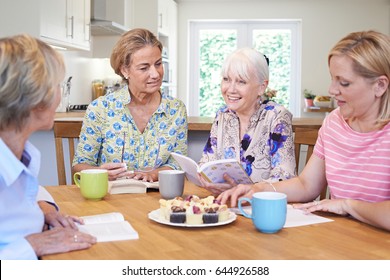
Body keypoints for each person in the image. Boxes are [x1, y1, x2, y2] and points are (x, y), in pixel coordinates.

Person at [219, 30, 390, 231]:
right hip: (340, 236)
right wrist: (258, 189)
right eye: (333, 79)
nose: (332, 90)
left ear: (380, 85)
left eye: (344, 83)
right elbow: (306, 185)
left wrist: (347, 205)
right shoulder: (333, 123)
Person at [0, 34, 96, 260]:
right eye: (56, 85)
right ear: (36, 100)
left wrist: (44, 209)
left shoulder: (19, 153)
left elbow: (21, 195)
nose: (59, 95)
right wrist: (31, 246)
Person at [72, 28, 188, 182]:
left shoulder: (176, 109)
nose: (155, 74)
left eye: (158, 64)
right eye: (144, 68)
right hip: (110, 200)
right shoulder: (101, 108)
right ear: (125, 70)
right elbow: (80, 165)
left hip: (158, 199)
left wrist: (152, 175)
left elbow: (178, 163)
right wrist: (100, 172)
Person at [198, 47, 296, 195]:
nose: (230, 89)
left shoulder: (277, 116)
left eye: (241, 82)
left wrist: (250, 190)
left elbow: (285, 176)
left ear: (261, 87)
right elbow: (206, 163)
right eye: (226, 79)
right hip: (226, 204)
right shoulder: (223, 115)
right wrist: (205, 179)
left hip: (260, 207)